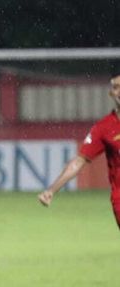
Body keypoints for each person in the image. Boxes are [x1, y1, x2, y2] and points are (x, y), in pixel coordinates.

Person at [38, 72, 120, 229]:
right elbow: (78, 161)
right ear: (111, 93)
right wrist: (52, 190)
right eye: (116, 87)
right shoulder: (103, 128)